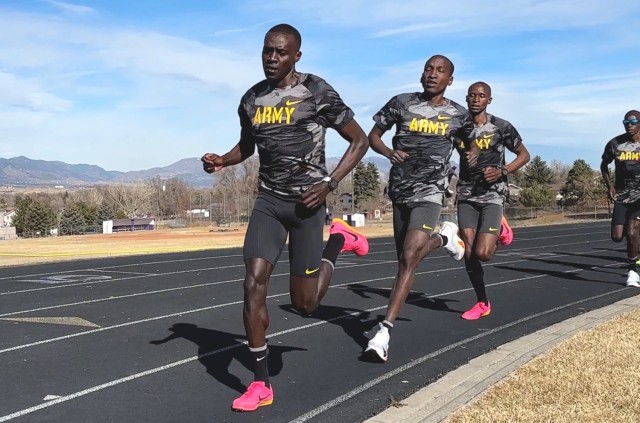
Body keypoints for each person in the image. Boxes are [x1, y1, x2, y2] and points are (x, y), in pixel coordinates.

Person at [201, 23, 370, 411]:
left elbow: (359, 141)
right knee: (252, 282)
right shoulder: (251, 99)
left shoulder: (317, 91)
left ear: (297, 55)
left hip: (308, 206)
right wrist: (222, 160)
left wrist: (329, 183)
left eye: (280, 52)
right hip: (269, 203)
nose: (272, 59)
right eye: (267, 52)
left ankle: (339, 239)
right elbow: (248, 144)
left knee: (306, 304)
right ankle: (260, 384)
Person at [364, 55, 478, 362]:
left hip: (431, 192)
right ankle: (445, 238)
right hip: (400, 189)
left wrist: (471, 156)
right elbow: (373, 135)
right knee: (403, 257)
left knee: (410, 255)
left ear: (450, 80)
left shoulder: (459, 114)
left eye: (440, 71)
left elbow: (471, 144)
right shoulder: (401, 103)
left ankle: (384, 331)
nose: (432, 74)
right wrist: (388, 152)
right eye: (429, 68)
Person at [454, 82, 530, 320]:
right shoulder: (458, 126)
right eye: (472, 96)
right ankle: (481, 301)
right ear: (467, 99)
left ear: (489, 100)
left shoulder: (501, 127)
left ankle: (500, 229)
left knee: (483, 253)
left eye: (481, 96)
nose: (476, 99)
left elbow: (524, 155)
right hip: (466, 193)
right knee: (468, 248)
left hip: (492, 194)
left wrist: (502, 171)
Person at [600, 110, 640, 288]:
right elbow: (604, 165)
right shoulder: (615, 144)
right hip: (623, 196)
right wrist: (609, 185)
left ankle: (633, 271)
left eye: (633, 121)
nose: (629, 125)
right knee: (617, 236)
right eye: (626, 122)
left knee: (632, 232)